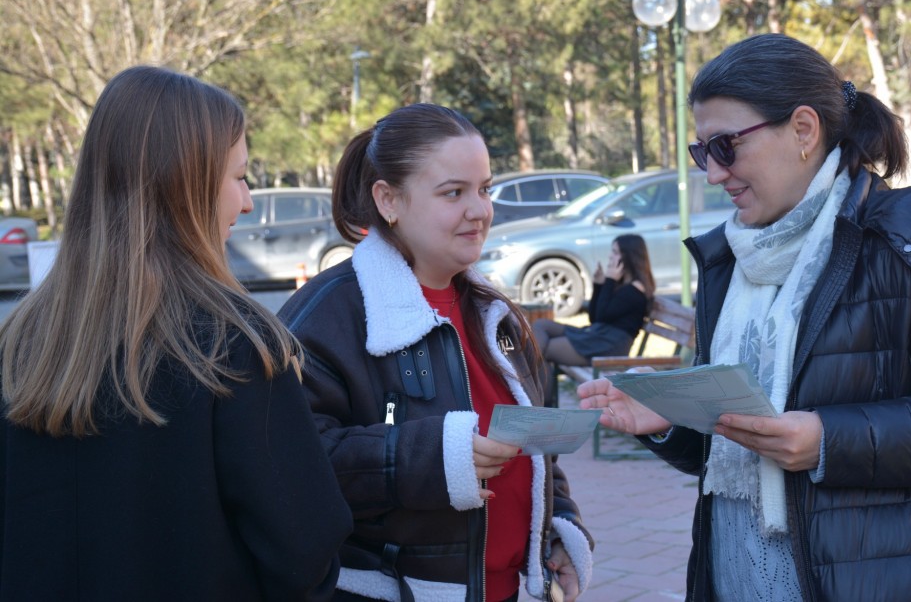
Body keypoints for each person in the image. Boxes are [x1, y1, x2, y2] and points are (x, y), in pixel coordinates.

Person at [578, 34, 911, 601]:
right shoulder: (728, 259)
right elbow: (738, 442)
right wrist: (668, 417)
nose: (712, 173)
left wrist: (829, 442)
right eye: (701, 152)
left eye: (725, 147)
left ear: (804, 130)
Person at [0, 66, 352, 601]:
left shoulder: (21, 342)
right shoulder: (233, 345)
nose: (247, 201)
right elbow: (304, 553)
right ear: (186, 186)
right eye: (239, 177)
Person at [277, 103, 594, 602]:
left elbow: (536, 450)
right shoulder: (328, 315)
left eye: (485, 189)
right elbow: (292, 464)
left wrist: (559, 529)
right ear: (388, 200)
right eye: (453, 192)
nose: (480, 210)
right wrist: (434, 456)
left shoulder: (496, 314)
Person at [532, 234, 655, 405]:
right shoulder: (625, 284)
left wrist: (609, 280)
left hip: (609, 345)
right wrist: (599, 285)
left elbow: (602, 316)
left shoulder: (636, 290)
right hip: (599, 335)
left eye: (615, 252)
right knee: (541, 325)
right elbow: (595, 318)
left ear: (629, 256)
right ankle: (537, 395)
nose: (610, 257)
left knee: (543, 351)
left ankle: (541, 403)